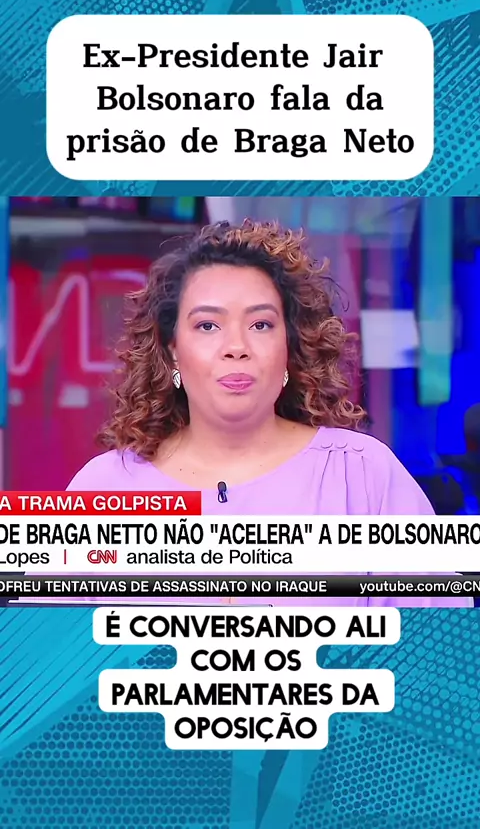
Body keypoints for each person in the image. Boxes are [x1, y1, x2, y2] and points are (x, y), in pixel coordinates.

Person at [65, 220, 470, 607]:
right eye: (207, 326)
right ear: (172, 350)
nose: (236, 347)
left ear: (289, 348)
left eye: (260, 325)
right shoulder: (102, 489)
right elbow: (51, 652)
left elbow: (437, 646)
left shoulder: (363, 476)